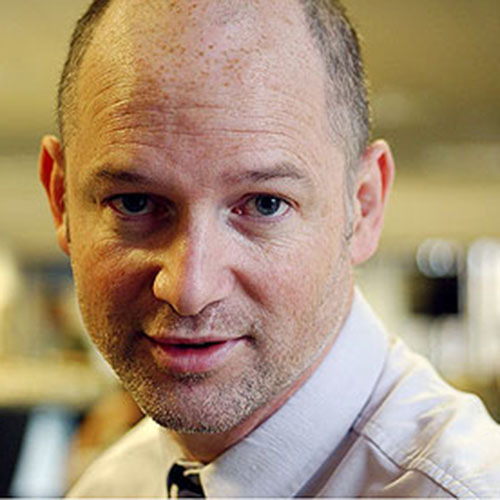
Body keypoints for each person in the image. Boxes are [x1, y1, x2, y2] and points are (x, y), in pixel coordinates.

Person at [39, 0, 500, 497]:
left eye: (264, 204)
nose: (189, 289)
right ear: (61, 200)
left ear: (364, 206)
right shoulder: (112, 486)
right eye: (134, 203)